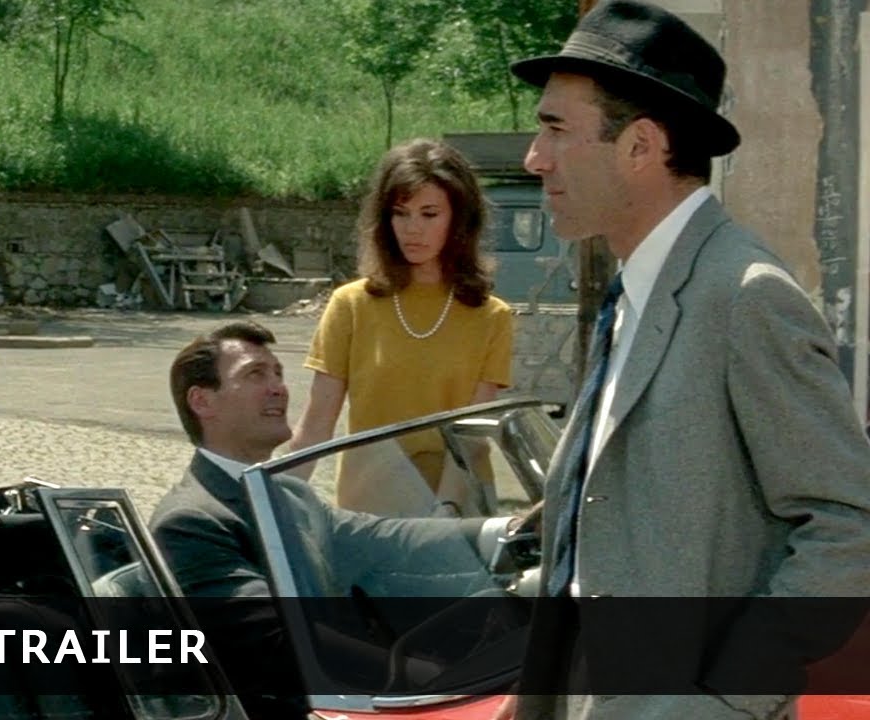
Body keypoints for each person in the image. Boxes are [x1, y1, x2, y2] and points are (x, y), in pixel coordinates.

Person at [497, 2, 870, 719]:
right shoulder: (633, 294)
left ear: (641, 146)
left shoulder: (745, 297)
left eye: (556, 130)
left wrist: (725, 700)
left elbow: (850, 528)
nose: (534, 159)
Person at [150, 321, 510, 717]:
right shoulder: (191, 522)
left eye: (278, 374)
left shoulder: (289, 493)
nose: (279, 388)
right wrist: (416, 674)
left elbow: (385, 539)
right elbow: (282, 641)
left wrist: (505, 533)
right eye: (255, 374)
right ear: (202, 401)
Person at [290, 138, 514, 516]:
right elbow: (315, 426)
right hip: (371, 506)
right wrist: (270, 506)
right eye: (400, 213)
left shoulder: (491, 317)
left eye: (429, 214)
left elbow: (472, 437)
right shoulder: (351, 305)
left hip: (457, 509)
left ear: (459, 220)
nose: (412, 229)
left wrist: (445, 510)